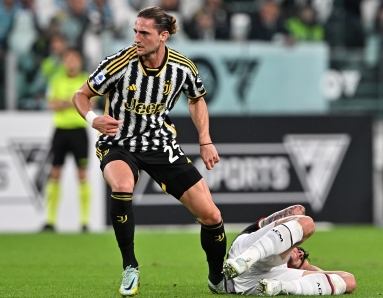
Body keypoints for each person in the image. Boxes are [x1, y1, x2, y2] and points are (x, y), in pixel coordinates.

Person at [71, 6, 226, 297]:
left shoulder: (182, 67)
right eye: (135, 31)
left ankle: (217, 278)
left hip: (159, 144)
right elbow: (81, 94)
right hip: (119, 142)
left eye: (144, 32)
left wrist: (205, 140)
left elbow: (197, 99)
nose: (137, 38)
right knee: (122, 185)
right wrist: (94, 120)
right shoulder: (119, 62)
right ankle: (130, 266)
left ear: (163, 36)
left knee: (211, 216)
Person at [222, 205, 357, 296]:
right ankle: (245, 259)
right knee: (306, 222)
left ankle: (282, 287)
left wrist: (305, 267)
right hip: (242, 251)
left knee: (348, 282)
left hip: (252, 282)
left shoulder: (285, 268)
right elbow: (298, 210)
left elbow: (345, 279)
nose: (301, 253)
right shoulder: (260, 231)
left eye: (302, 256)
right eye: (300, 250)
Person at [43, 48, 92, 232]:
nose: (71, 62)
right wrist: (74, 103)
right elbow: (52, 104)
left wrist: (65, 103)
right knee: (55, 173)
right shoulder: (56, 79)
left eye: (74, 58)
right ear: (64, 61)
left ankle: (85, 222)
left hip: (79, 131)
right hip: (61, 131)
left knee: (82, 174)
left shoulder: (87, 79)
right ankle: (50, 221)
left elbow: (91, 103)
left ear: (79, 61)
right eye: (68, 58)